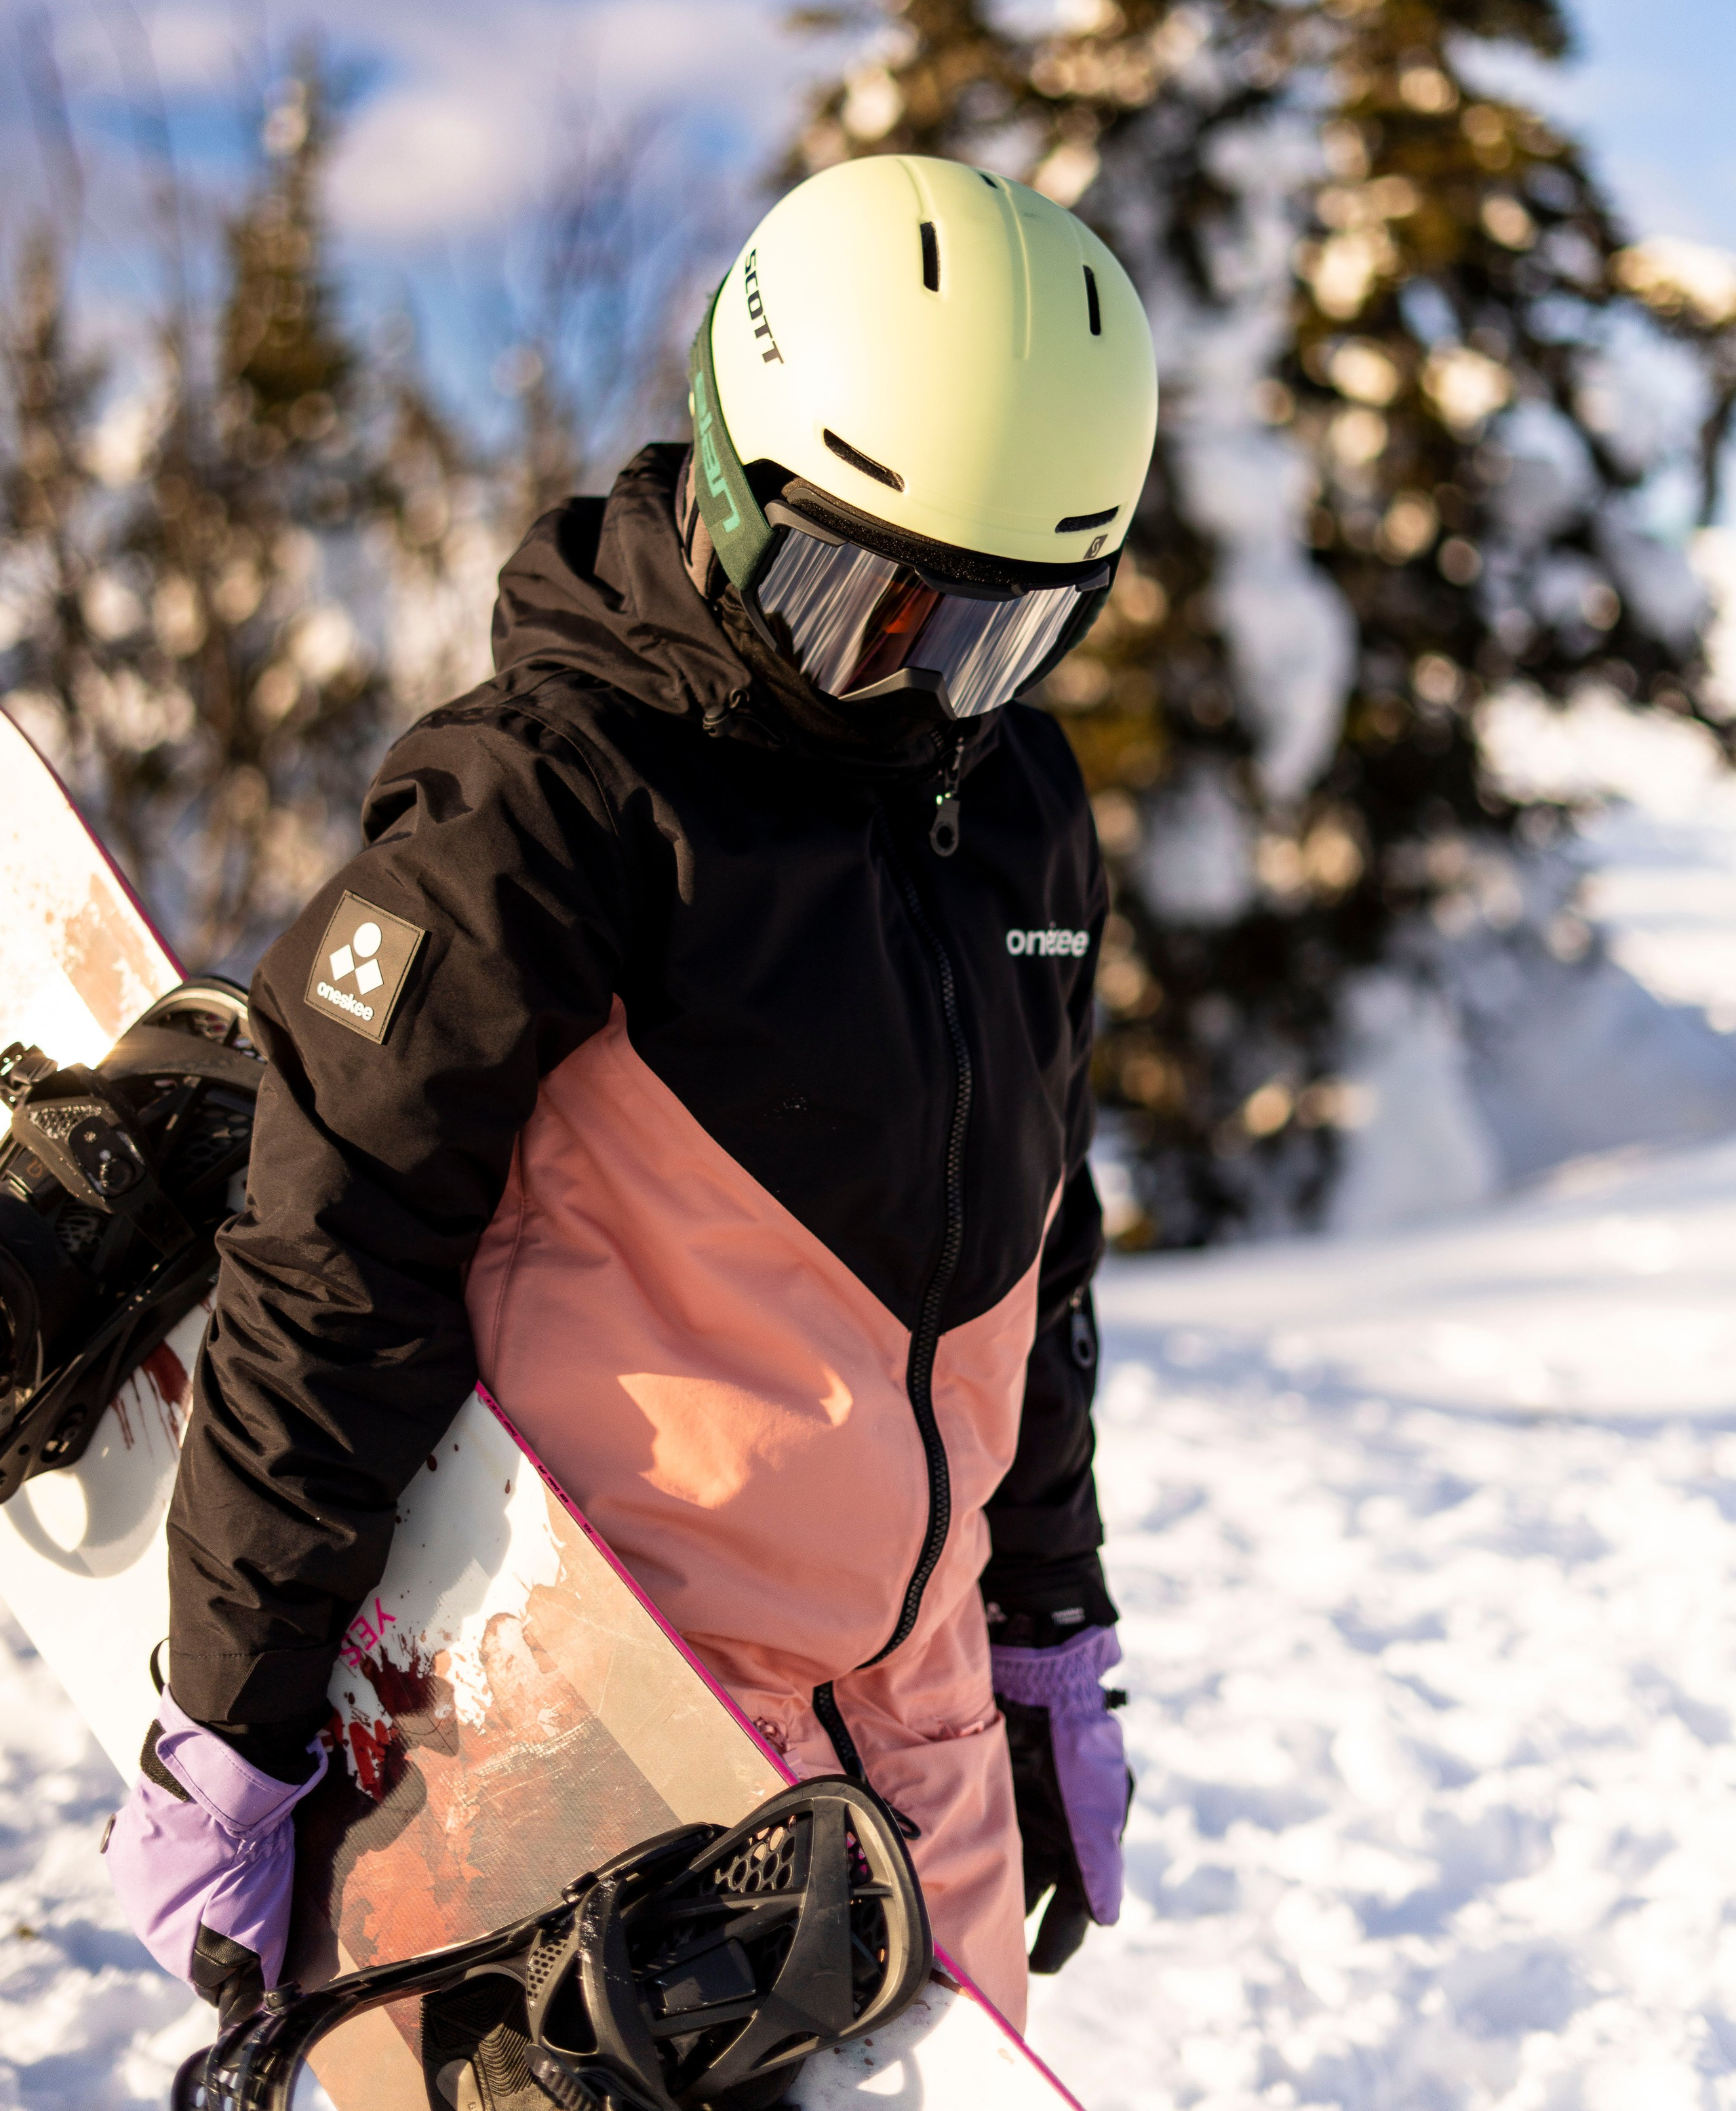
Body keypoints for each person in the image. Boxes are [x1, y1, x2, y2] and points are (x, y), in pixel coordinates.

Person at [104, 153, 1157, 2035]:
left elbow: (1032, 1264)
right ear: (735, 472)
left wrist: (1050, 1628)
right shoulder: (554, 805)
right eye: (861, 603)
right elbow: (333, 1254)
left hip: (917, 1746)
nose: (916, 695)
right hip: (605, 1745)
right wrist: (234, 1717)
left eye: (994, 633)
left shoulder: (1018, 814)